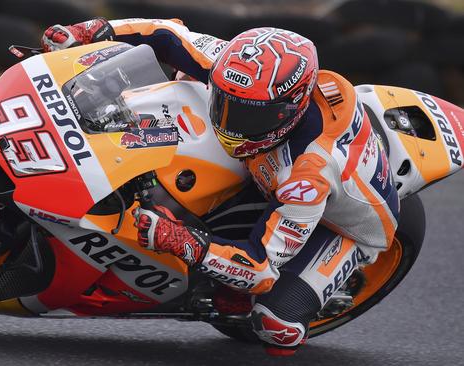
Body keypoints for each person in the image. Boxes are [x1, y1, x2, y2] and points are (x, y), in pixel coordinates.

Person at [41, 18, 400, 356]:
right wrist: (93, 29)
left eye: (249, 115)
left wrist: (182, 241)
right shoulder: (243, 73)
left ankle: (296, 306)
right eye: (225, 104)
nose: (231, 124)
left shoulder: (309, 176)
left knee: (276, 324)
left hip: (341, 225)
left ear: (290, 108)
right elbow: (165, 33)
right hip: (266, 166)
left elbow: (260, 267)